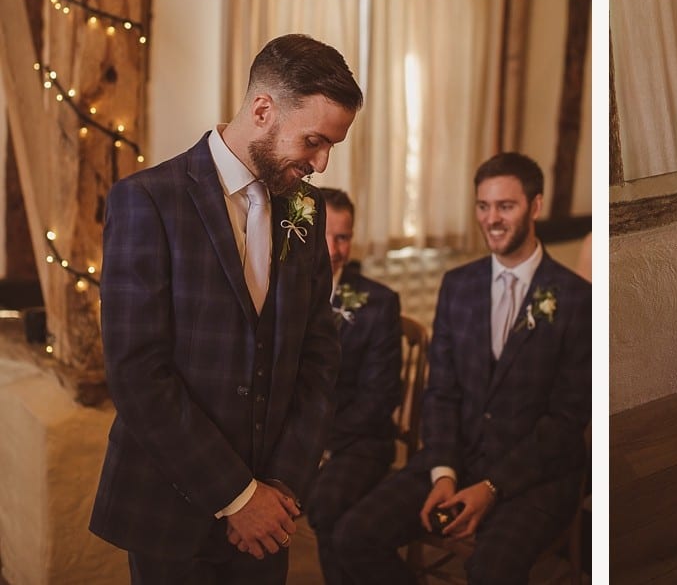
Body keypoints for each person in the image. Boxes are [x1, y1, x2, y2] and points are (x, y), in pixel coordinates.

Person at [90, 34, 363, 584]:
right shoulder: (147, 201)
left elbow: (318, 358)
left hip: (269, 517)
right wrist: (238, 497)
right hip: (169, 506)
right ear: (263, 109)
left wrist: (280, 488)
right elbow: (138, 373)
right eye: (313, 140)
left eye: (331, 145)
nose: (322, 163)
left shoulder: (306, 211)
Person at [329, 152, 590, 584]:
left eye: (506, 206)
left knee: (491, 570)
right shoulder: (458, 285)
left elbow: (565, 423)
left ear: (535, 207)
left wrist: (492, 487)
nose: (492, 219)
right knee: (353, 536)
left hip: (535, 479)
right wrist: (444, 472)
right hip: (456, 462)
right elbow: (441, 393)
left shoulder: (578, 300)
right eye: (483, 206)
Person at [307, 188, 403, 585]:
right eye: (326, 235)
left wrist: (321, 440)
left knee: (326, 506)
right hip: (300, 436)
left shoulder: (379, 304)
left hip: (361, 441)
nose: (333, 249)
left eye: (343, 237)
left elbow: (380, 399)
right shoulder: (284, 294)